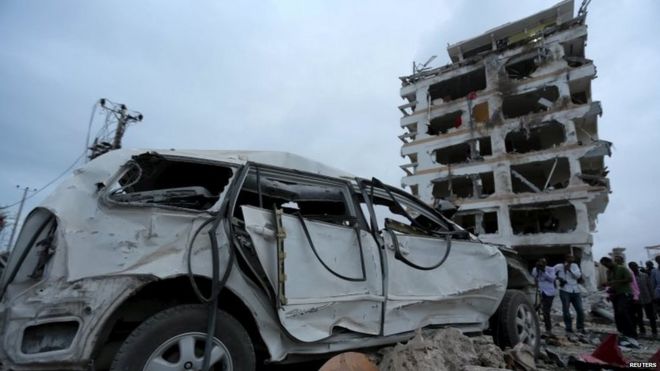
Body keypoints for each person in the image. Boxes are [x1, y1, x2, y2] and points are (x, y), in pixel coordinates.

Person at [600, 256, 637, 339]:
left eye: (606, 264)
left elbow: (630, 279)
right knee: (617, 315)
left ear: (610, 262)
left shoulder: (621, 268)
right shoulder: (608, 272)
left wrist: (616, 281)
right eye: (604, 265)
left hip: (624, 293)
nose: (606, 266)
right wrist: (608, 286)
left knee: (622, 311)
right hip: (615, 294)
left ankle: (631, 333)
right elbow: (611, 283)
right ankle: (622, 332)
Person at [554, 254, 585, 334]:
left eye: (572, 257)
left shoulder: (575, 266)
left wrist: (569, 270)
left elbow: (578, 276)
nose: (571, 258)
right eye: (569, 257)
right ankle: (568, 328)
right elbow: (551, 273)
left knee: (580, 310)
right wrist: (558, 278)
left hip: (575, 290)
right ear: (565, 258)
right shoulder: (559, 266)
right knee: (566, 310)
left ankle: (580, 327)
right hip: (564, 290)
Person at [629, 262, 657, 337]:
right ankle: (642, 331)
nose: (634, 268)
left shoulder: (644, 275)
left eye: (635, 266)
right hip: (636, 300)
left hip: (647, 298)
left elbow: (650, 287)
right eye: (632, 267)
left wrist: (653, 297)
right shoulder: (630, 277)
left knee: (651, 316)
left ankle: (654, 332)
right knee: (639, 316)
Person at [532, 258, 556, 334]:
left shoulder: (551, 269)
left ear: (546, 263)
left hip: (549, 292)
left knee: (546, 311)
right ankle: (534, 328)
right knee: (534, 309)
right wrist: (538, 269)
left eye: (543, 263)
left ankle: (548, 329)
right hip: (539, 292)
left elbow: (552, 279)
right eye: (540, 262)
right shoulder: (535, 269)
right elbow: (534, 277)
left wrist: (544, 271)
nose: (542, 264)